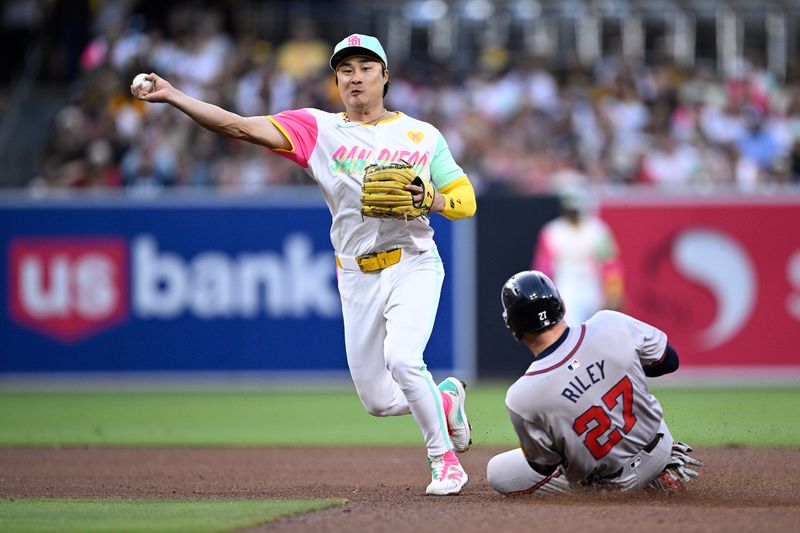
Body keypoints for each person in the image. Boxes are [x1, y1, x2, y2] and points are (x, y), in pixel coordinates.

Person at [131, 33, 476, 496]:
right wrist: (174, 96)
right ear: (336, 79)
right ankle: (446, 399)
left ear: (385, 76)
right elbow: (237, 126)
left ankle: (445, 462)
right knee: (376, 400)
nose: (356, 77)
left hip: (414, 262)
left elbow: (466, 200)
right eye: (346, 69)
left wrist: (431, 197)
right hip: (355, 272)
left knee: (402, 359)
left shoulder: (421, 134)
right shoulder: (317, 129)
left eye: (366, 67)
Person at [486, 270, 703, 495]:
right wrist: (612, 371)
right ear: (561, 304)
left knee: (497, 471)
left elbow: (545, 464)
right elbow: (669, 361)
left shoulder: (522, 396)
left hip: (610, 486)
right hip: (659, 451)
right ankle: (663, 472)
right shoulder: (610, 322)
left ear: (514, 327)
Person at [532, 185, 624, 326]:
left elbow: (610, 264)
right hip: (565, 287)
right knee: (571, 329)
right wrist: (543, 296)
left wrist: (613, 291)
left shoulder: (598, 230)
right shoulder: (552, 231)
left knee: (595, 330)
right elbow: (544, 267)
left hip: (593, 287)